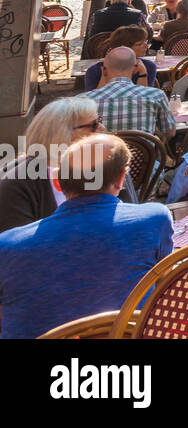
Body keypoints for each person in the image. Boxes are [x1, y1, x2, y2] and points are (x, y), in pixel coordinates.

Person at [0, 134, 173, 340]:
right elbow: (166, 289)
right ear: (121, 178)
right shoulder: (155, 220)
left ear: (56, 182)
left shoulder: (6, 246)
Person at [0, 97, 139, 233]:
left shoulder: (108, 164)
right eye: (94, 124)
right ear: (61, 133)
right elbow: (15, 245)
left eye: (100, 120)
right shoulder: (18, 182)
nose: (102, 128)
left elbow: (131, 218)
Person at [89, 47, 177, 141]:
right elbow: (170, 133)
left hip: (102, 155)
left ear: (103, 71)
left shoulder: (85, 101)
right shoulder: (156, 95)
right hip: (145, 154)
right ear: (135, 69)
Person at [84, 25, 156, 90]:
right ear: (123, 48)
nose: (146, 46)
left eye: (145, 42)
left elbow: (145, 97)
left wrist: (143, 73)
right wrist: (105, 74)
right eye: (139, 44)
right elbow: (94, 99)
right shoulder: (95, 70)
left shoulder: (148, 66)